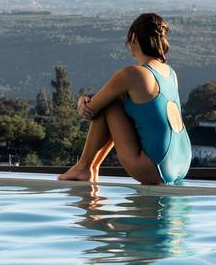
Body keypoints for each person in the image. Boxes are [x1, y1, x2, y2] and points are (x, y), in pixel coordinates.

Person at [57, 12, 193, 185]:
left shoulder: (132, 73)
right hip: (182, 162)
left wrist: (82, 100)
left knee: (110, 102)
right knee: (117, 100)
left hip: (153, 168)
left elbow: (92, 108)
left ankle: (85, 167)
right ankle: (88, 168)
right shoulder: (170, 73)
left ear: (133, 38)